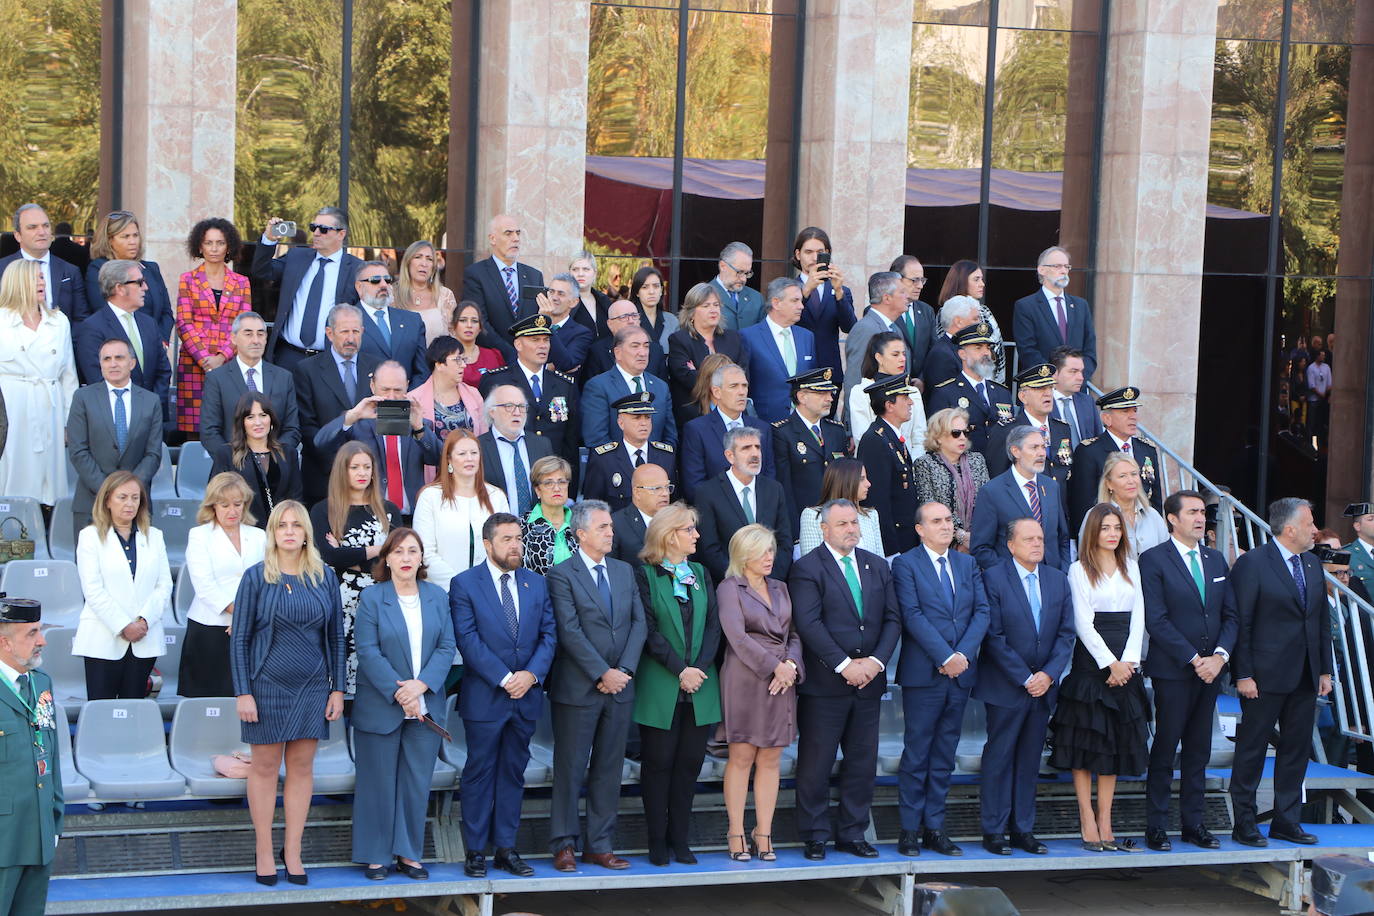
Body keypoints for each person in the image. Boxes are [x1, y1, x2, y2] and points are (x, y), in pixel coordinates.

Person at [230, 500, 345, 885]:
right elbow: (240, 639)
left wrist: (338, 689)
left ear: (306, 533)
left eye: (297, 525)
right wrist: (243, 692)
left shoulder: (324, 576)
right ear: (273, 532)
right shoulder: (255, 577)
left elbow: (335, 638)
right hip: (265, 686)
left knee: (301, 769)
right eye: (283, 526)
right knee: (264, 769)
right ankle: (264, 849)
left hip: (313, 686)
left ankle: (292, 850)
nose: (290, 532)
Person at [789, 498, 900, 860]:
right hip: (826, 684)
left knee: (862, 762)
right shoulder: (807, 568)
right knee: (816, 763)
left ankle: (853, 833)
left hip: (869, 682)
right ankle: (815, 834)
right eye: (842, 524)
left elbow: (891, 620)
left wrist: (876, 662)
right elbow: (809, 623)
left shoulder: (877, 566)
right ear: (824, 529)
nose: (851, 529)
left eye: (854, 523)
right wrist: (844, 665)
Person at [450, 512, 557, 878]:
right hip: (485, 697)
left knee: (514, 773)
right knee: (479, 772)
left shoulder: (536, 584)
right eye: (508, 539)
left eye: (518, 538)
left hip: (526, 696)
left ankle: (506, 849)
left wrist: (529, 675)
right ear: (488, 544)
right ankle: (476, 851)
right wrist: (504, 677)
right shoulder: (464, 584)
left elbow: (549, 636)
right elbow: (468, 640)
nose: (516, 545)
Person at [546, 500, 648, 872]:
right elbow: (568, 631)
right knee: (570, 768)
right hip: (579, 689)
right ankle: (564, 845)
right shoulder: (561, 574)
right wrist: (602, 672)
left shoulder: (623, 571)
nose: (610, 532)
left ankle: (599, 844)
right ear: (582, 533)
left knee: (609, 768)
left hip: (620, 686)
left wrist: (624, 670)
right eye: (603, 527)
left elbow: (639, 624)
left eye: (611, 527)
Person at [351, 527, 457, 881]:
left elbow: (446, 647)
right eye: (398, 552)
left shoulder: (438, 597)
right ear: (387, 559)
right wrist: (402, 693)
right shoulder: (372, 598)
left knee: (416, 783)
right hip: (383, 704)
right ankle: (376, 855)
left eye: (413, 551)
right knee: (377, 782)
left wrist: (421, 686)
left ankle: (409, 854)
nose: (406, 558)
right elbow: (367, 651)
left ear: (421, 558)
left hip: (425, 706)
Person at [1229, 498, 1332, 847]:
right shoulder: (1253, 564)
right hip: (1262, 676)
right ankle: (1244, 822)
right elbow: (1241, 622)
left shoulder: (1313, 565)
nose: (1315, 530)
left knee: (1296, 751)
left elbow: (1320, 621)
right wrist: (1243, 674)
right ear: (1290, 529)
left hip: (1305, 675)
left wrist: (1324, 670)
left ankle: (1287, 821)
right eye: (1309, 523)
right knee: (1252, 750)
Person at [891, 501, 990, 857]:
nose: (946, 526)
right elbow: (912, 615)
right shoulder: (905, 564)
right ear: (920, 529)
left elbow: (982, 611)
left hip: (960, 672)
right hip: (925, 673)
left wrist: (961, 655)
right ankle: (908, 830)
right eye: (937, 521)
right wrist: (945, 656)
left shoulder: (967, 563)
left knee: (945, 753)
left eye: (949, 520)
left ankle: (935, 827)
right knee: (918, 752)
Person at [1048, 502, 1149, 852]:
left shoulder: (1132, 567)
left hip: (1127, 661)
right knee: (1085, 741)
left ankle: (1107, 820)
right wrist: (1109, 663)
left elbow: (1139, 617)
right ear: (1093, 531)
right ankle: (1086, 817)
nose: (1112, 534)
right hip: (1093, 663)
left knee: (1114, 745)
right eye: (1105, 528)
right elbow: (1082, 622)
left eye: (1117, 528)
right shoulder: (1078, 569)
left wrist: (1129, 661)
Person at [1140, 490, 1237, 852]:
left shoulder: (1215, 561)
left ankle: (1194, 824)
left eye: (1202, 513)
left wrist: (1220, 658)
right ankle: (1157, 826)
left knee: (1198, 751)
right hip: (1175, 671)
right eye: (1193, 512)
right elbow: (1157, 619)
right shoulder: (1153, 560)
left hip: (1212, 671)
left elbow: (1230, 615)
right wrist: (1196, 659)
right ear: (1172, 519)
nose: (1201, 518)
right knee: (1166, 749)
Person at [974, 518, 1075, 856]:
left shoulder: (1057, 580)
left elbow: (1066, 634)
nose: (1037, 544)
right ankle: (994, 829)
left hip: (1043, 687)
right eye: (1029, 539)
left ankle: (1023, 829)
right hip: (1006, 685)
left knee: (1030, 760)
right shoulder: (992, 578)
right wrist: (1024, 676)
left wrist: (1047, 675)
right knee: (1000, 757)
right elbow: (993, 636)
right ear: (1011, 545)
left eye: (1041, 539)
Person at [634, 503, 721, 866]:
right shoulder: (645, 575)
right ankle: (657, 840)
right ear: (670, 535)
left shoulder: (700, 572)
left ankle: (680, 840)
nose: (696, 535)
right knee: (658, 764)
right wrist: (679, 670)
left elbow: (714, 627)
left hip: (700, 685)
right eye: (690, 529)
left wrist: (697, 669)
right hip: (662, 683)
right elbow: (649, 630)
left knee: (689, 765)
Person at [718, 523, 803, 863]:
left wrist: (791, 666)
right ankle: (736, 830)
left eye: (771, 550)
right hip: (746, 677)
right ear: (743, 554)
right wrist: (775, 666)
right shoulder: (729, 588)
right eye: (761, 551)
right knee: (741, 757)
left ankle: (763, 832)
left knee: (771, 758)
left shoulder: (781, 587)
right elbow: (737, 638)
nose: (769, 557)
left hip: (782, 679)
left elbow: (794, 634)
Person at [311, 441, 402, 695]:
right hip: (339, 601)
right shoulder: (323, 510)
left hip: (382, 599)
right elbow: (328, 556)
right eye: (355, 467)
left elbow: (397, 556)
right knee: (340, 671)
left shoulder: (389, 510)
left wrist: (349, 554)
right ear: (343, 471)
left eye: (367, 467)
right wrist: (377, 549)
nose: (362, 473)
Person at [73, 471, 172, 700]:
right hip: (103, 638)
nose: (130, 504)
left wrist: (144, 621)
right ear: (107, 500)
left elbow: (164, 585)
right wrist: (123, 625)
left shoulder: (154, 536)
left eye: (135, 498)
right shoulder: (90, 537)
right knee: (101, 711)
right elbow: (93, 590)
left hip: (144, 639)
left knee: (134, 711)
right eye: (122, 497)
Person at [312, 360, 444, 518]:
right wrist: (353, 416)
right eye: (385, 389)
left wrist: (419, 427)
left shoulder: (419, 425)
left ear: (407, 386)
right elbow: (321, 445)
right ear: (372, 386)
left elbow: (440, 459)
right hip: (370, 514)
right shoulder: (357, 423)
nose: (391, 396)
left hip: (411, 517)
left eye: (398, 390)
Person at [0, 597, 63, 916]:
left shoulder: (41, 683)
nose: (42, 641)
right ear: (4, 642)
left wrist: (55, 816)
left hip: (38, 831)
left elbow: (51, 753)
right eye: (32, 633)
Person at [180, 472, 267, 698]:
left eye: (237, 504)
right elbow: (204, 585)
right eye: (225, 504)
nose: (232, 510)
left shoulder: (259, 536)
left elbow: (267, 580)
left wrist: (247, 617)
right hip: (210, 629)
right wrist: (240, 615)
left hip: (253, 628)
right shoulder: (199, 535)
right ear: (213, 505)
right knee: (208, 702)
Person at [0, 260, 78, 506]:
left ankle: (46, 522)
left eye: (43, 277)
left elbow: (68, 376)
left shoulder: (59, 322)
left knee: (49, 476)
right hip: (11, 409)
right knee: (12, 471)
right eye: (35, 278)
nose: (42, 283)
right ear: (18, 282)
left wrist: (68, 422)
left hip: (49, 408)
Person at [66, 339, 162, 530]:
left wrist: (128, 492)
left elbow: (153, 454)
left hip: (135, 505)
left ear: (132, 363)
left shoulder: (151, 401)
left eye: (119, 357)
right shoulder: (83, 398)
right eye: (106, 359)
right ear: (100, 364)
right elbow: (78, 451)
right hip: (91, 502)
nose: (113, 363)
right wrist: (109, 490)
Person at [477, 314, 580, 490]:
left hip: (551, 481)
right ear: (518, 344)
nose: (543, 346)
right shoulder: (497, 381)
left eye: (546, 340)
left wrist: (569, 490)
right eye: (535, 340)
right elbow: (487, 431)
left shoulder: (564, 384)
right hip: (508, 476)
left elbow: (571, 441)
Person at [292, 304, 382, 505]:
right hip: (323, 480)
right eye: (344, 332)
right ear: (330, 333)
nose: (351, 338)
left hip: (370, 481)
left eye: (355, 331)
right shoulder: (307, 370)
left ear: (363, 332)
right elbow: (307, 429)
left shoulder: (379, 367)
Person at [255, 208, 363, 372]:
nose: (317, 233)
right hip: (287, 356)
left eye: (324, 229)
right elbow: (262, 271)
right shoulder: (296, 257)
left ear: (341, 234)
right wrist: (269, 239)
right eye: (314, 227)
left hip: (330, 359)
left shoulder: (356, 268)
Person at [175, 217, 252, 436]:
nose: (214, 248)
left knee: (230, 429)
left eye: (220, 242)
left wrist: (221, 356)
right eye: (209, 243)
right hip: (194, 366)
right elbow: (183, 322)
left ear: (229, 246)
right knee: (195, 432)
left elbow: (243, 325)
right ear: (200, 246)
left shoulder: (241, 282)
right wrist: (205, 360)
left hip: (229, 365)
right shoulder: (187, 280)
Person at [693, 426, 793, 585]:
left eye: (757, 447)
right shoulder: (707, 492)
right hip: (731, 585)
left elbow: (785, 542)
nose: (755, 454)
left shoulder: (774, 489)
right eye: (746, 448)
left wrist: (770, 581)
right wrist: (742, 581)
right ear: (730, 456)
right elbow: (709, 549)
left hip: (771, 585)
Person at [73, 260, 173, 418]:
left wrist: (151, 406)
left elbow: (163, 370)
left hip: (152, 417)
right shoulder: (92, 327)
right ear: (119, 288)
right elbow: (98, 379)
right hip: (115, 419)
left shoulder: (149, 323)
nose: (146, 288)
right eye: (139, 283)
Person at [412, 429, 508, 589]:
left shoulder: (496, 496)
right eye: (462, 454)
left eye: (474, 453)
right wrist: (460, 586)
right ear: (449, 459)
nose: (469, 458)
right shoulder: (430, 496)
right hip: (443, 590)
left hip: (490, 590)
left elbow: (505, 545)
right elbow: (425, 552)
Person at [200, 311, 302, 454]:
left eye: (260, 334)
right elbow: (209, 432)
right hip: (231, 468)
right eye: (248, 334)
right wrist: (237, 461)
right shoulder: (217, 379)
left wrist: (272, 457)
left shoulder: (283, 378)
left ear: (266, 338)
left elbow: (292, 429)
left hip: (275, 467)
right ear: (234, 338)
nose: (256, 340)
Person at [972, 427, 1070, 571]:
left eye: (1043, 447)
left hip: (1052, 580)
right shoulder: (992, 492)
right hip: (1012, 584)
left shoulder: (1051, 486)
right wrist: (1010, 576)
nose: (1042, 453)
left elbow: (1062, 537)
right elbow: (981, 548)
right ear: (1015, 451)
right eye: (1034, 447)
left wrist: (1063, 571)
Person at [678, 361, 775, 501]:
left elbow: (769, 477)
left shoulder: (763, 429)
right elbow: (695, 486)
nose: (741, 392)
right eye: (733, 386)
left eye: (744, 386)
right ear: (717, 392)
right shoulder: (697, 430)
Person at [1069, 385, 1163, 528]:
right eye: (1125, 411)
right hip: (1106, 532)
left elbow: (1156, 498)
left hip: (1144, 529)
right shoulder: (1089, 451)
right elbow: (1083, 503)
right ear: (1107, 418)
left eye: (1135, 411)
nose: (1133, 416)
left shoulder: (1147, 449)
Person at [773, 368, 850, 534]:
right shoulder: (782, 433)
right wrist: (795, 535)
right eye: (821, 393)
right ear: (802, 397)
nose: (830, 398)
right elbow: (784, 489)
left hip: (839, 523)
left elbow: (845, 479)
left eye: (830, 393)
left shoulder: (836, 431)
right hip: (806, 525)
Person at [209, 393, 304, 525]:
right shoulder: (226, 454)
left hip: (280, 531)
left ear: (271, 419)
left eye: (263, 415)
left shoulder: (288, 453)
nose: (258, 422)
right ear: (242, 422)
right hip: (243, 531)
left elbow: (296, 498)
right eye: (250, 417)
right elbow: (216, 498)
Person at [667, 281, 750, 428]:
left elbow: (743, 375)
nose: (713, 310)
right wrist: (728, 384)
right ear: (691, 313)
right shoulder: (680, 340)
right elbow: (688, 380)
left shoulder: (733, 339)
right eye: (706, 306)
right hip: (695, 420)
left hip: (732, 420)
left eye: (716, 305)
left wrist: (699, 373)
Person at [924, 321, 1013, 455]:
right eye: (978, 348)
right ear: (962, 354)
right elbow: (937, 442)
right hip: (963, 469)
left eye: (988, 347)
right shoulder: (945, 393)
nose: (986, 353)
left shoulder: (1002, 392)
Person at [856, 374, 922, 556]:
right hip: (894, 543)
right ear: (889, 405)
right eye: (905, 398)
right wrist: (891, 551)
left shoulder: (891, 437)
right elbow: (877, 501)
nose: (911, 403)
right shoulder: (875, 440)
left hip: (906, 538)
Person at [462, 214, 544, 357]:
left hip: (529, 360)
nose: (516, 238)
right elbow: (480, 323)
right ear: (492, 239)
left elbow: (537, 318)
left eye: (518, 233)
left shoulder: (534, 276)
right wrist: (511, 354)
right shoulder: (476, 274)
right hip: (494, 359)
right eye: (508, 233)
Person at [740, 277, 819, 425]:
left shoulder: (806, 337)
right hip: (764, 423)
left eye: (801, 301)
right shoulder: (748, 337)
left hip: (802, 423)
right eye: (794, 301)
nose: (801, 306)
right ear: (776, 303)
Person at [582, 325, 675, 449]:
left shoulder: (660, 387)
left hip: (655, 465)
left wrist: (656, 464)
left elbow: (670, 437)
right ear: (618, 353)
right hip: (615, 466)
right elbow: (596, 438)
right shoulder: (599, 386)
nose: (643, 353)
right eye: (635, 346)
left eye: (646, 346)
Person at [985, 364, 1073, 496]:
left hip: (1055, 509)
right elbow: (996, 478)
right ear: (1023, 397)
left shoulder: (1062, 429)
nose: (1047, 393)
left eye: (1050, 387)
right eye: (1040, 388)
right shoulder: (1006, 431)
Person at [83, 209, 173, 337]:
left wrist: (160, 341)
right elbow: (104, 310)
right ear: (110, 240)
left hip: (155, 346)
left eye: (135, 235)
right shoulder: (98, 269)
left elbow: (166, 312)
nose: (133, 241)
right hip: (119, 344)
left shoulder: (151, 268)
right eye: (125, 236)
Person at [1012, 246, 1098, 379]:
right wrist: (1055, 377)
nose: (1064, 271)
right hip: (1043, 386)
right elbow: (1028, 351)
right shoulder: (1026, 306)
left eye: (1066, 266)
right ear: (1042, 270)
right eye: (1057, 266)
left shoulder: (1081, 305)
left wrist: (1077, 376)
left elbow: (1089, 350)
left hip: (1075, 389)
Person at [582, 392, 676, 512]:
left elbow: (674, 502)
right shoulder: (603, 459)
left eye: (647, 417)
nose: (644, 423)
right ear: (621, 423)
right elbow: (591, 507)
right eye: (636, 417)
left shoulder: (666, 456)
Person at [913, 408, 990, 554]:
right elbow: (928, 505)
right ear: (938, 437)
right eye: (956, 433)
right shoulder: (925, 464)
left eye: (966, 432)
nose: (962, 437)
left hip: (978, 541)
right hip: (941, 543)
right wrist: (960, 536)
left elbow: (987, 502)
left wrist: (975, 538)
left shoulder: (977, 460)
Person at [0, 203, 88, 321]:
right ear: (18, 236)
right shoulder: (3, 269)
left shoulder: (70, 271)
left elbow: (81, 319)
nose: (42, 232)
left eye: (46, 226)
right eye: (32, 227)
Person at [478, 384, 553, 517]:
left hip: (538, 530)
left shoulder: (542, 444)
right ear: (492, 411)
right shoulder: (478, 447)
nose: (517, 412)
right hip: (494, 528)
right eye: (509, 406)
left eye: (521, 406)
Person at [792, 227, 855, 384]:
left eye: (820, 252)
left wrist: (839, 291)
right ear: (798, 254)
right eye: (808, 252)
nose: (814, 257)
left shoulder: (840, 290)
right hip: (797, 368)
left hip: (830, 371)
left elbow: (849, 327)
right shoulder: (787, 288)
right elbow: (783, 319)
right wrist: (806, 290)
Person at [847, 330, 925, 456]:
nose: (902, 359)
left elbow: (920, 437)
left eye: (904, 354)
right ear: (878, 357)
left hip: (910, 466)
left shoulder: (912, 392)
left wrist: (911, 467)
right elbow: (861, 436)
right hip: (874, 464)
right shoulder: (861, 391)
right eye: (895, 355)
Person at [842, 272, 910, 414]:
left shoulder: (894, 328)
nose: (907, 296)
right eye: (902, 292)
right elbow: (854, 381)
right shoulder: (865, 329)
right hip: (869, 420)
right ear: (887, 298)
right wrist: (852, 428)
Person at [408, 336, 487, 455]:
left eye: (463, 359)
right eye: (457, 360)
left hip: (470, 468)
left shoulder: (473, 394)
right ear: (439, 364)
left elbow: (483, 437)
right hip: (434, 471)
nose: (464, 365)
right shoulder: (414, 399)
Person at [354, 260, 427, 383]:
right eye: (375, 280)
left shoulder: (413, 321)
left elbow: (422, 371)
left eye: (387, 280)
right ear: (359, 287)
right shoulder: (345, 321)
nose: (383, 285)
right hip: (362, 400)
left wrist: (405, 397)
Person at [797, 458, 884, 555]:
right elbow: (810, 563)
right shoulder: (813, 516)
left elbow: (880, 563)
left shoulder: (871, 515)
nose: (868, 484)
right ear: (845, 482)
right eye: (861, 479)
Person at [937, 260, 1006, 382]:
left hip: (990, 379)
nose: (982, 284)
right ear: (961, 281)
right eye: (976, 279)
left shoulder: (985, 311)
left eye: (982, 279)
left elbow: (998, 350)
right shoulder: (946, 312)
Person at [1094, 453, 1168, 558]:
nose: (1131, 481)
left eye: (1134, 474)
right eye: (1122, 476)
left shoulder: (1153, 515)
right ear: (1109, 484)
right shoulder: (1095, 516)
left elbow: (1167, 557)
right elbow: (1089, 558)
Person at [582, 298, 668, 381]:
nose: (631, 321)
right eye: (624, 317)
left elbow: (663, 390)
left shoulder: (655, 350)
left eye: (634, 316)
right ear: (610, 324)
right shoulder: (597, 352)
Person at [522, 455, 576, 576]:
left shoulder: (583, 524)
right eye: (548, 483)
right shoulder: (522, 527)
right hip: (538, 594)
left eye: (562, 482)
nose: (557, 488)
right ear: (537, 490)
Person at [395, 240, 457, 344]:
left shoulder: (445, 295)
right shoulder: (392, 294)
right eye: (418, 257)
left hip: (437, 359)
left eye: (429, 259)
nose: (424, 264)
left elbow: (455, 338)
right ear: (408, 262)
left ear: (433, 267)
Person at [611, 463, 671, 564]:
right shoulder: (616, 524)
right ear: (637, 493)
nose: (665, 493)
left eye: (667, 487)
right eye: (657, 488)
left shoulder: (676, 520)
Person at [537, 273, 594, 379]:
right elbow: (518, 361)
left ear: (573, 302)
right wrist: (547, 367)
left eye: (561, 294)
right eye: (551, 292)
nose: (554, 297)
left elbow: (567, 364)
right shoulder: (531, 325)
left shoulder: (581, 333)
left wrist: (546, 326)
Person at [890, 255, 938, 378]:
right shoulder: (885, 310)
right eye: (914, 280)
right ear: (897, 279)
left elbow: (933, 352)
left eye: (922, 280)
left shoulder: (927, 311)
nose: (920, 286)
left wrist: (922, 380)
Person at [922, 296, 981, 391]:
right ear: (958, 322)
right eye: (975, 319)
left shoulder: (961, 347)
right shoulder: (942, 354)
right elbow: (948, 396)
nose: (980, 324)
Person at [703, 242, 763, 331]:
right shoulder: (702, 295)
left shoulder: (756, 298)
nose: (743, 279)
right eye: (739, 272)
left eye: (747, 273)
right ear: (723, 266)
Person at [1050, 346, 1102, 448]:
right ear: (1055, 373)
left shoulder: (1087, 402)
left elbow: (1098, 440)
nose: (1081, 378)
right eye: (1073, 371)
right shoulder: (1042, 401)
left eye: (1081, 371)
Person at [449, 300, 506, 387]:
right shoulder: (446, 357)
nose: (469, 325)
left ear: (480, 327)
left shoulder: (493, 356)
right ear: (453, 326)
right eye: (463, 320)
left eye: (474, 321)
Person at [630, 265, 678, 350]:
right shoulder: (630, 320)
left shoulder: (671, 321)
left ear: (661, 290)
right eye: (645, 287)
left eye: (656, 286)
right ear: (637, 292)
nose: (651, 292)